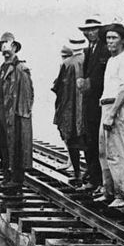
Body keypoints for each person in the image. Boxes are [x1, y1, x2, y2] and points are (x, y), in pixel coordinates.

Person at [96, 23, 124, 207]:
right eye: (108, 38)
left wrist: (112, 114)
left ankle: (121, 194)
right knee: (104, 152)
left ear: (123, 40)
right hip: (106, 105)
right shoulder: (112, 60)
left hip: (116, 107)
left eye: (114, 38)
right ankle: (109, 191)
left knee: (116, 152)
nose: (110, 42)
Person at [0, 32, 34, 193]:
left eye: (8, 46)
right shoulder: (2, 68)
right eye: (2, 47)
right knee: (4, 145)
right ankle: (6, 176)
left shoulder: (21, 68)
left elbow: (28, 94)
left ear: (15, 47)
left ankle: (16, 180)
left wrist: (22, 114)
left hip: (15, 114)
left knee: (16, 147)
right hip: (2, 113)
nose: (5, 50)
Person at [77, 17, 111, 194]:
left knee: (97, 142)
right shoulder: (90, 49)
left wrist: (89, 82)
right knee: (90, 140)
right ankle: (93, 177)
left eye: (93, 30)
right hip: (90, 102)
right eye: (86, 30)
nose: (89, 33)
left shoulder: (104, 49)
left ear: (99, 30)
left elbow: (104, 76)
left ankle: (97, 180)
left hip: (99, 102)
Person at [52, 37, 86, 184]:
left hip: (69, 107)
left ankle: (77, 173)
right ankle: (89, 175)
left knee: (71, 140)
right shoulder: (88, 60)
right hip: (85, 108)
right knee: (87, 142)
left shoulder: (67, 64)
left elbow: (57, 87)